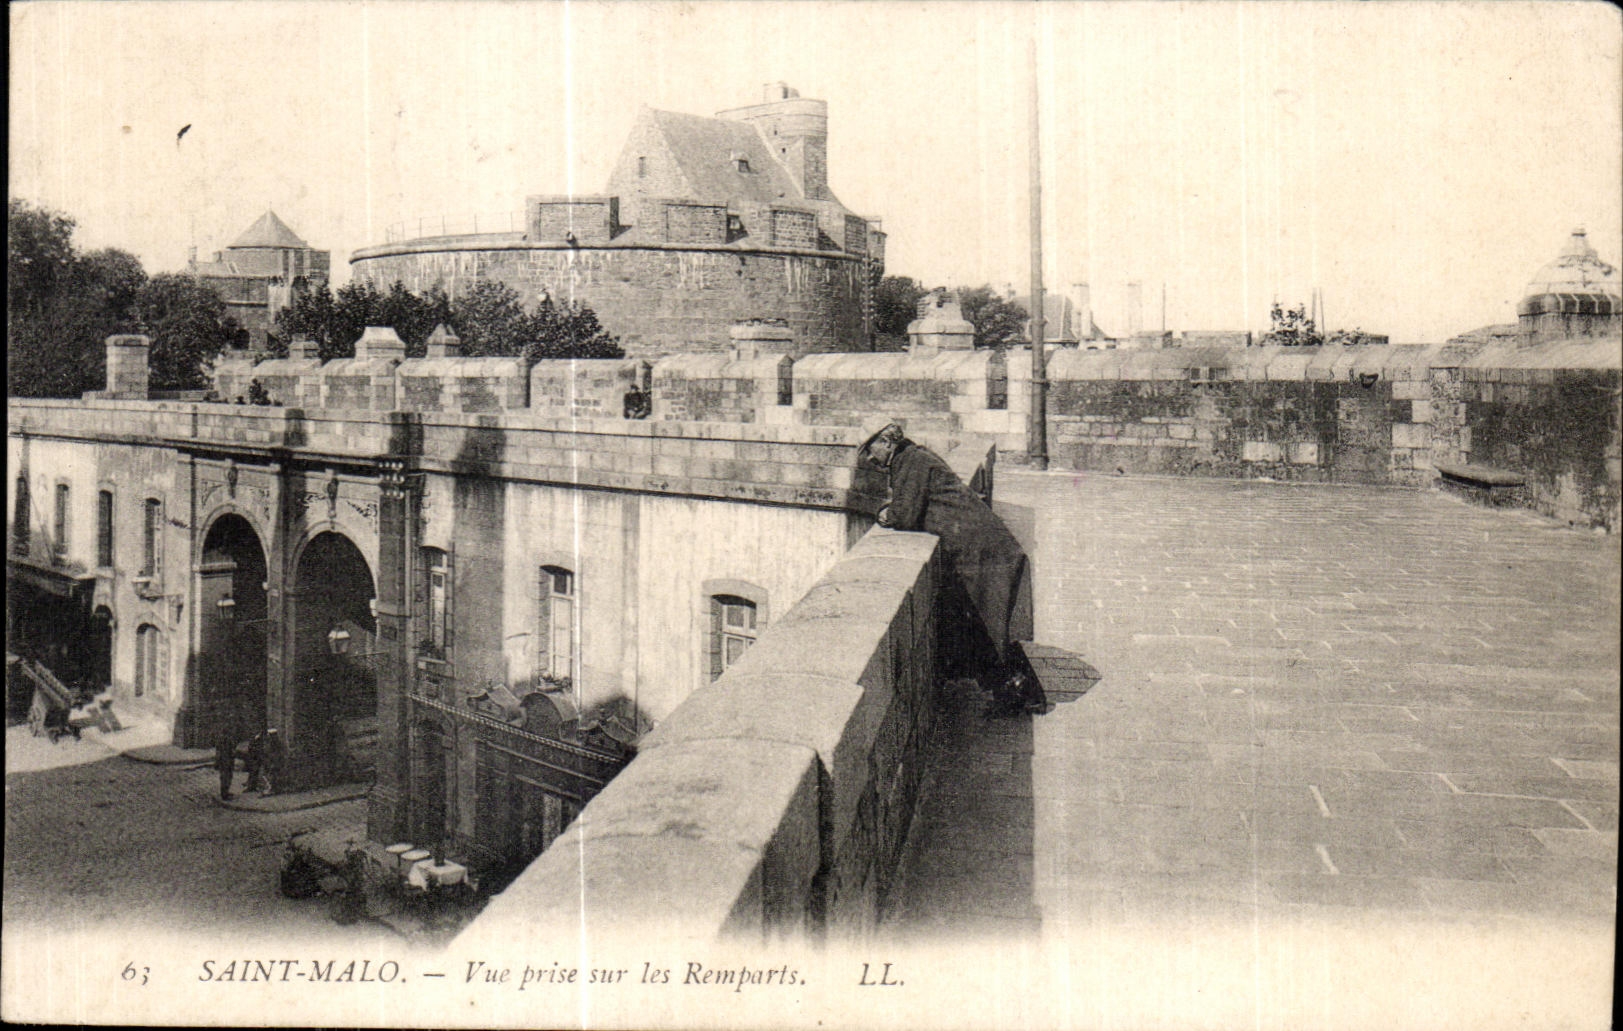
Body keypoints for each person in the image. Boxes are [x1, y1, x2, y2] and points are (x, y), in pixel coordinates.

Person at [861, 422, 1047, 717]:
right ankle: (1015, 694)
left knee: (990, 626)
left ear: (887, 442)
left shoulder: (911, 462)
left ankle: (1026, 695)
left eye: (871, 450)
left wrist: (884, 513)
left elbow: (905, 515)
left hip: (982, 552)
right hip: (979, 548)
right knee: (988, 625)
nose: (870, 459)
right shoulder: (914, 457)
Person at [213, 721, 239, 801]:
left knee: (226, 777)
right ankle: (224, 794)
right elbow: (230, 750)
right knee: (226, 777)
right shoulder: (226, 739)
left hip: (225, 760)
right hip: (226, 760)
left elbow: (218, 750)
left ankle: (225, 792)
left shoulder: (222, 738)